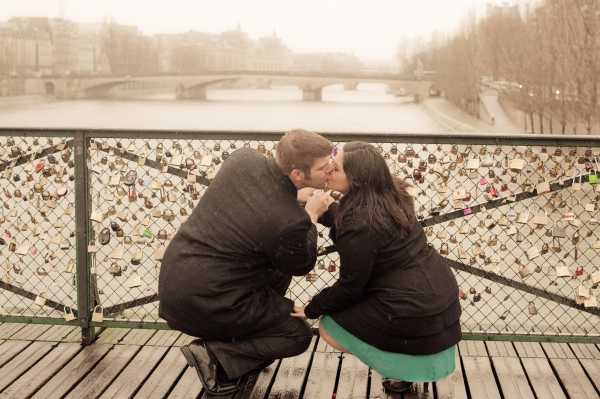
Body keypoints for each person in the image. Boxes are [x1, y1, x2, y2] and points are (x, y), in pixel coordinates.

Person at [158, 129, 335, 398]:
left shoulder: (242, 160)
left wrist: (292, 197)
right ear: (298, 174)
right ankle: (214, 355)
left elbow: (257, 198)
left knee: (277, 267)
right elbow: (302, 263)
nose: (330, 169)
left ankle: (239, 349)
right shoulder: (288, 220)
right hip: (210, 302)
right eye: (323, 167)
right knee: (297, 334)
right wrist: (310, 215)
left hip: (175, 284)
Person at [292, 142, 461, 394]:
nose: (328, 171)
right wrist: (326, 209)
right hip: (437, 294)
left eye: (335, 168)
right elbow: (364, 229)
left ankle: (397, 370)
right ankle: (404, 373)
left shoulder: (360, 224)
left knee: (329, 327)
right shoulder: (394, 193)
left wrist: (311, 308)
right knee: (367, 314)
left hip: (410, 307)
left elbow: (351, 287)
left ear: (357, 180)